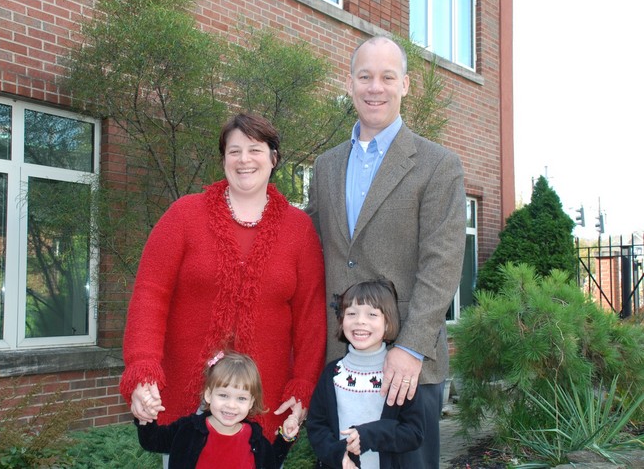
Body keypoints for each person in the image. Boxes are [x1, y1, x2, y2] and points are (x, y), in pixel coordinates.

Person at [120, 113, 327, 457]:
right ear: (223, 160)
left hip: (264, 403)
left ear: (273, 158)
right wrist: (143, 371)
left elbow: (311, 318)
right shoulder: (184, 215)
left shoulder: (299, 230)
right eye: (234, 151)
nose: (244, 160)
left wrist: (303, 385)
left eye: (255, 150)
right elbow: (149, 296)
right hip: (186, 404)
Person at [306, 35, 466, 468]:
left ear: (405, 85)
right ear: (350, 83)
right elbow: (309, 248)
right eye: (365, 77)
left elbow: (442, 264)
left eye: (387, 77)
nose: (375, 87)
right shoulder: (326, 166)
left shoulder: (438, 165)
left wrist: (410, 348)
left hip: (406, 367)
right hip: (341, 362)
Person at [307, 278, 425, 468]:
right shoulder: (333, 373)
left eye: (372, 314)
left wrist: (369, 435)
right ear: (342, 321)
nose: (360, 321)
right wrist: (338, 456)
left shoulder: (399, 375)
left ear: (388, 324)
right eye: (351, 313)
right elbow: (316, 426)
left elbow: (413, 433)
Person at [135, 351, 300, 469]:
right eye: (223, 395)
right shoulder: (188, 429)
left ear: (251, 403)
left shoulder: (255, 439)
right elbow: (152, 441)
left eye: (241, 398)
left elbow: (271, 463)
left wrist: (285, 438)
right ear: (208, 395)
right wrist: (146, 417)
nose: (231, 405)